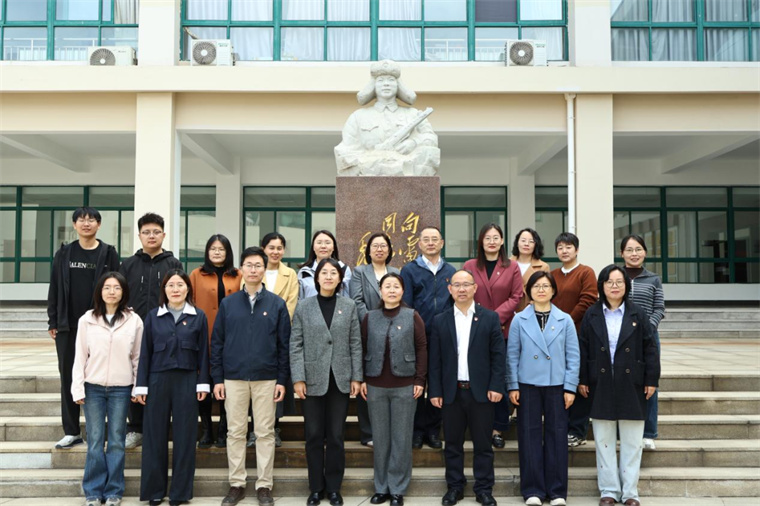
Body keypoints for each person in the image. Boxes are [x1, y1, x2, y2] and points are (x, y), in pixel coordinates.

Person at [210, 247, 291, 506]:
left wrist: (281, 380)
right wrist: (218, 378)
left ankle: (264, 485)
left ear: (264, 269)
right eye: (249, 265)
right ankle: (237, 483)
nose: (253, 270)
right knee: (235, 432)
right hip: (234, 378)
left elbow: (284, 346)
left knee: (265, 433)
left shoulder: (277, 304)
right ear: (241, 269)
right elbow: (217, 343)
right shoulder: (229, 304)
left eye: (258, 265)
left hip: (266, 378)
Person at [577, 265, 660, 506]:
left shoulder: (638, 314)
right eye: (609, 282)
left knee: (632, 442)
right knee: (603, 441)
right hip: (600, 383)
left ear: (626, 286)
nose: (614, 286)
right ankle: (609, 491)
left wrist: (651, 380)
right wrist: (583, 379)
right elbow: (583, 349)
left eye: (619, 282)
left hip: (632, 384)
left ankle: (630, 493)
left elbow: (650, 348)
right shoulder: (592, 314)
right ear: (601, 286)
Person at [428, 270, 506, 506]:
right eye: (457, 285)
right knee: (452, 445)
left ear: (475, 288)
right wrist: (435, 391)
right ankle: (455, 487)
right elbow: (435, 361)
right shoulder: (440, 320)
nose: (461, 289)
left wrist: (496, 386)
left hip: (481, 393)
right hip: (451, 393)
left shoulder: (490, 318)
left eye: (466, 284)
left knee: (483, 445)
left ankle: (484, 489)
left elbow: (498, 356)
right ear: (450, 289)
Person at [290, 258, 363, 506]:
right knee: (313, 435)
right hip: (311, 379)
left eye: (334, 273)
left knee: (335, 435)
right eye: (324, 273)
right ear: (317, 277)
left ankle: (333, 488)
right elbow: (295, 344)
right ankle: (315, 488)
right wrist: (298, 378)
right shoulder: (304, 306)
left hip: (340, 379)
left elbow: (355, 343)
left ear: (340, 278)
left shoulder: (349, 306)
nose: (329, 277)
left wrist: (357, 376)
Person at [134, 269, 210, 506]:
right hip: (157, 380)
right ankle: (154, 491)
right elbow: (144, 353)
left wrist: (203, 383)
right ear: (164, 290)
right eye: (170, 285)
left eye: (180, 285)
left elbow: (204, 353)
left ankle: (180, 492)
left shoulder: (198, 316)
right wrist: (141, 386)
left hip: (187, 381)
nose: (175, 289)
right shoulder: (153, 316)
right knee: (154, 436)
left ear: (188, 288)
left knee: (185, 437)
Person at [47, 206, 120, 450]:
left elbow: (116, 286)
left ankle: (96, 429)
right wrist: (53, 320)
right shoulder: (64, 253)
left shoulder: (108, 253)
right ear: (74, 224)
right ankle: (71, 431)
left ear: (99, 224)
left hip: (99, 324)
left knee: (98, 376)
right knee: (68, 376)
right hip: (68, 325)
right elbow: (54, 287)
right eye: (81, 219)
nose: (86, 223)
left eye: (91, 220)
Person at [507, 271, 580, 506]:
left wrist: (570, 387)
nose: (541, 290)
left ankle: (557, 491)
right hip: (527, 384)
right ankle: (533, 490)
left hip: (557, 384)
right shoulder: (519, 319)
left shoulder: (565, 319)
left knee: (557, 435)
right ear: (528, 290)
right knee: (529, 435)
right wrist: (512, 385)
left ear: (553, 290)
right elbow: (512, 355)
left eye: (546, 286)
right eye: (536, 286)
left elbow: (573, 356)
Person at [71, 272, 143, 506]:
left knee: (116, 441)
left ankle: (114, 490)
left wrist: (137, 386)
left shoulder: (134, 320)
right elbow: (80, 356)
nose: (112, 292)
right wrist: (77, 387)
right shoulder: (87, 319)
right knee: (94, 440)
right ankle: (93, 491)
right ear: (99, 291)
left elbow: (138, 358)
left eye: (117, 288)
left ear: (124, 292)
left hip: (121, 389)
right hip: (93, 387)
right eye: (107, 287)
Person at [360, 273, 426, 506]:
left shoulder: (412, 316)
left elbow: (422, 348)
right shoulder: (370, 317)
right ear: (380, 291)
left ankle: (397, 488)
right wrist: (361, 379)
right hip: (375, 385)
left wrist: (420, 380)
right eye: (387, 286)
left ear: (402, 291)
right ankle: (381, 487)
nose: (391, 290)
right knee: (380, 439)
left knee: (401, 438)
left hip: (405, 386)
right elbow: (361, 347)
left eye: (395, 286)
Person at [119, 212, 182, 450]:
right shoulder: (128, 265)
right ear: (139, 236)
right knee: (135, 376)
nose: (151, 236)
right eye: (146, 232)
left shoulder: (173, 264)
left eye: (156, 232)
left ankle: (159, 426)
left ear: (164, 235)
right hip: (133, 330)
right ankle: (136, 427)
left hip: (164, 331)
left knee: (160, 377)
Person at [463, 223, 523, 448]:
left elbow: (516, 296)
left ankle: (497, 428)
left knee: (500, 380)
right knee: (478, 379)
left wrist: (493, 319)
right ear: (481, 241)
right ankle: (479, 427)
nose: (491, 241)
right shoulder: (470, 266)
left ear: (502, 241)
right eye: (487, 237)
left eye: (495, 237)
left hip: (502, 330)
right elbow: (464, 293)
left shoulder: (512, 266)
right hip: (474, 330)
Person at [400, 225, 456, 450]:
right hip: (417, 336)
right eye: (426, 239)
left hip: (443, 336)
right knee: (416, 384)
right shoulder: (409, 270)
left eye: (435, 239)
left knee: (437, 384)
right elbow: (406, 304)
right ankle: (416, 431)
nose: (431, 243)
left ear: (442, 243)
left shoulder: (450, 271)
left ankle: (433, 430)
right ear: (419, 244)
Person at [334, 59, 440, 177]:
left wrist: (413, 142)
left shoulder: (414, 114)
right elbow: (346, 149)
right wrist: (369, 162)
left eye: (391, 80)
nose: (386, 84)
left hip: (408, 167)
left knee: (428, 152)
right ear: (373, 86)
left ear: (398, 85)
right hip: (369, 169)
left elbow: (431, 138)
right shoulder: (357, 117)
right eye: (380, 80)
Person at [189, 234, 242, 449]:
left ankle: (223, 428)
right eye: (213, 249)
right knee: (204, 381)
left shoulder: (238, 275)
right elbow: (189, 303)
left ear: (228, 252)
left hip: (231, 337)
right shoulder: (196, 274)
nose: (217, 252)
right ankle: (206, 430)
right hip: (203, 334)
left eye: (221, 249)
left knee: (227, 384)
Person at [350, 232, 401, 447]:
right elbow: (357, 301)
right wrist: (374, 323)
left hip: (394, 333)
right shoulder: (359, 272)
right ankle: (368, 432)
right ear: (368, 250)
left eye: (383, 246)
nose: (379, 249)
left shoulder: (397, 272)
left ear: (389, 250)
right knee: (367, 381)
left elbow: (400, 300)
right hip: (368, 333)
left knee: (388, 379)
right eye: (375, 246)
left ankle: (388, 430)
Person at [550, 232, 597, 448]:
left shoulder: (586, 272)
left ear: (576, 250)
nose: (564, 251)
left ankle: (578, 430)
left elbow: (588, 300)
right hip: (553, 336)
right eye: (560, 247)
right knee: (560, 381)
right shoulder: (552, 275)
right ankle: (562, 427)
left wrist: (565, 322)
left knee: (578, 381)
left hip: (578, 335)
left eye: (568, 247)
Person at [621, 234, 665, 451]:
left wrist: (648, 328)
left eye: (638, 249)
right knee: (622, 382)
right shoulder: (616, 276)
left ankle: (649, 433)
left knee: (650, 385)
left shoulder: (653, 279)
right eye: (629, 250)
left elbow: (659, 308)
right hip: (621, 338)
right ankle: (622, 430)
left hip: (648, 338)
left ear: (645, 252)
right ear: (622, 254)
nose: (634, 254)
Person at [256, 231, 299, 448]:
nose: (275, 251)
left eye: (279, 248)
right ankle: (255, 429)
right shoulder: (255, 270)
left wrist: (274, 324)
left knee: (277, 381)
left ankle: (274, 427)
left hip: (280, 333)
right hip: (255, 334)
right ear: (263, 249)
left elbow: (291, 304)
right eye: (271, 247)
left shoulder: (290, 274)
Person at [298, 230, 352, 299]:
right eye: (319, 242)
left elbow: (348, 297)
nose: (323, 246)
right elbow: (300, 299)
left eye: (327, 243)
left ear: (333, 247)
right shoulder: (304, 272)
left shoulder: (343, 269)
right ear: (313, 247)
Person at [510, 228, 550, 314]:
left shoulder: (543, 267)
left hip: (532, 311)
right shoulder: (506, 264)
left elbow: (545, 291)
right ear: (517, 243)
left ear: (536, 245)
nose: (526, 244)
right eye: (523, 240)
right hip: (509, 311)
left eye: (531, 241)